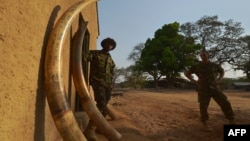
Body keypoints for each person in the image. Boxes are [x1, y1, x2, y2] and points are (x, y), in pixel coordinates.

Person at [184, 50, 235, 131]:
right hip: (203, 89)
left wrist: (219, 80)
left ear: (208, 55)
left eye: (205, 55)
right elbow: (187, 74)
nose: (203, 56)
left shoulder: (214, 65)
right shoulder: (196, 66)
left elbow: (222, 71)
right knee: (203, 106)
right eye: (202, 55)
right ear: (200, 57)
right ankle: (205, 123)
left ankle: (231, 120)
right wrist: (195, 82)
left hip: (215, 88)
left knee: (225, 102)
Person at [83, 37, 116, 140]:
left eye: (111, 45)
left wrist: (111, 84)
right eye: (107, 43)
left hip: (108, 85)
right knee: (101, 104)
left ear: (112, 47)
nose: (109, 46)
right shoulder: (94, 54)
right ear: (103, 44)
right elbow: (83, 57)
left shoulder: (111, 60)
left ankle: (99, 127)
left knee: (104, 106)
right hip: (98, 83)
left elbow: (111, 73)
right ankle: (89, 130)